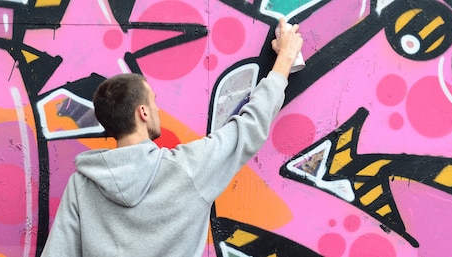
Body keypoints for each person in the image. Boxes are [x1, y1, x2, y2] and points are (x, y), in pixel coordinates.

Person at [41, 17, 304, 257]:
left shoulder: (81, 186)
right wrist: (285, 59)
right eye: (153, 102)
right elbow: (248, 127)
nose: (157, 108)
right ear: (143, 112)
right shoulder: (187, 168)